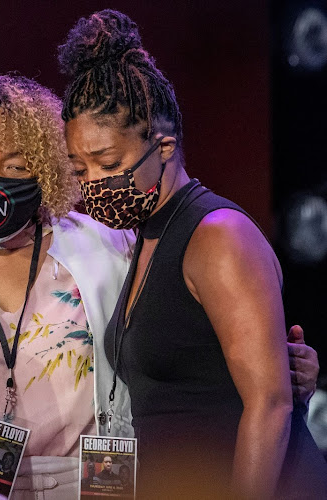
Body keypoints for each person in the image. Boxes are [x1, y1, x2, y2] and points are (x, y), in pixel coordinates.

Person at [0, 75, 322, 498]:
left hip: (97, 487)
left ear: (47, 165)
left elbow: (181, 341)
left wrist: (279, 369)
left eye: (15, 165)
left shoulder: (107, 243)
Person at [58, 9, 327, 498]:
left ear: (164, 146)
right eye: (80, 169)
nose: (93, 182)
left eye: (108, 163)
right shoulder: (145, 236)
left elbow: (269, 404)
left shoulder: (218, 234)